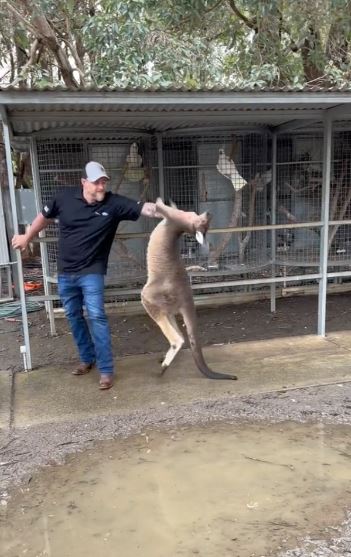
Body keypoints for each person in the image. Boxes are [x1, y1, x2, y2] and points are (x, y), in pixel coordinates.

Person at [12, 161, 161, 391]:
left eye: (103, 182)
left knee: (97, 316)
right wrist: (27, 236)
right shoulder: (64, 198)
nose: (101, 186)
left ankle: (106, 370)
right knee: (72, 315)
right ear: (84, 183)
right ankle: (87, 358)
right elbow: (44, 216)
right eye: (96, 182)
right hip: (66, 272)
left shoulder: (114, 203)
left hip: (92, 271)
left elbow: (146, 209)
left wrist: (172, 213)